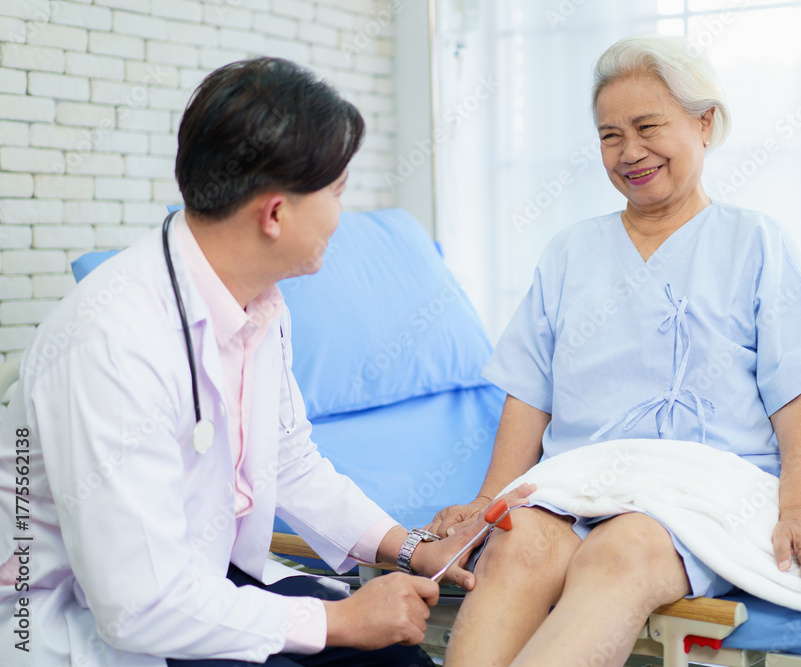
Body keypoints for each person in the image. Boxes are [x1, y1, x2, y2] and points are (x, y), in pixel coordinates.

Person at [0, 57, 530, 667]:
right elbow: (137, 605)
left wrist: (410, 547)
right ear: (275, 214)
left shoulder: (258, 304)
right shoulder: (110, 340)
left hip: (206, 586)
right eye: (336, 192)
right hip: (89, 624)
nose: (341, 215)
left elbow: (288, 460)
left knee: (395, 657)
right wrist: (338, 620)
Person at [427, 34, 801, 666]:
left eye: (647, 127)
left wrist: (800, 512)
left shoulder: (755, 242)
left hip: (703, 491)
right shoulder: (569, 253)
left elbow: (800, 390)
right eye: (610, 136)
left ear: (703, 122)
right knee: (516, 546)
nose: (630, 152)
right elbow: (530, 394)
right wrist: (487, 501)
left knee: (620, 551)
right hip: (574, 483)